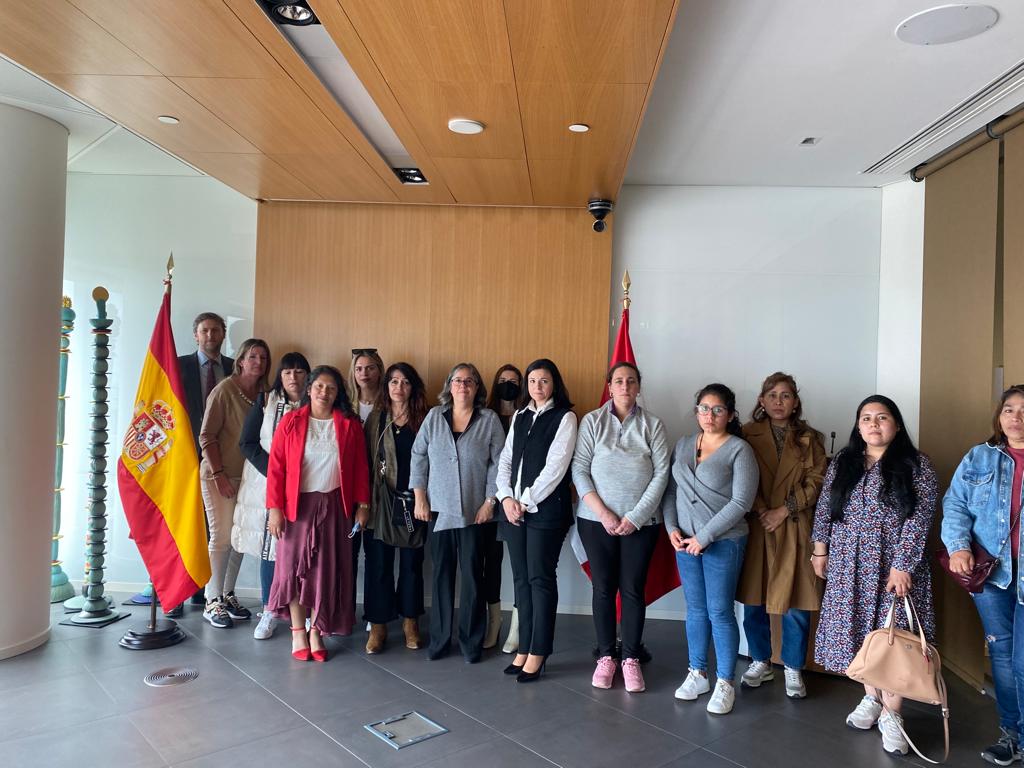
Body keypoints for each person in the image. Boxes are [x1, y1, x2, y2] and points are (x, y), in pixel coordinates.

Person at [811, 395, 937, 757]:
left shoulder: (917, 466)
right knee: (862, 636)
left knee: (893, 636)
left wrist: (903, 565)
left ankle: (893, 714)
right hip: (848, 565)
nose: (873, 424)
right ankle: (871, 699)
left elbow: (919, 519)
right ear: (858, 425)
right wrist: (820, 550)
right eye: (866, 418)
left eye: (882, 417)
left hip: (893, 568)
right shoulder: (844, 463)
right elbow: (825, 507)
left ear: (896, 425)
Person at [573, 362, 669, 694]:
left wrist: (635, 517)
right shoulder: (591, 422)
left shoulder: (653, 425)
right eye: (618, 381)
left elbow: (661, 476)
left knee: (632, 590)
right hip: (595, 521)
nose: (625, 386)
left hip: (641, 524)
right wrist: (604, 514)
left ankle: (630, 658)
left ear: (638, 387)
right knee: (602, 589)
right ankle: (606, 656)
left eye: (631, 381)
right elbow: (580, 469)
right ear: (609, 387)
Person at [942, 384, 1024, 766]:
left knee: (1021, 660)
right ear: (999, 416)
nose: (1016, 417)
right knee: (1004, 658)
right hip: (991, 576)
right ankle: (1012, 734)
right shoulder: (979, 457)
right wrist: (958, 546)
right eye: (1009, 409)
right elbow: (955, 504)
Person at [664, 383, 757, 715]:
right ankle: (697, 672)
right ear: (696, 411)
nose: (710, 415)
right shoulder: (685, 444)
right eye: (704, 408)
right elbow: (671, 491)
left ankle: (725, 682)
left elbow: (742, 502)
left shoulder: (739, 450)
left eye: (718, 409)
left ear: (730, 415)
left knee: (719, 611)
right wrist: (671, 528)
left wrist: (705, 536)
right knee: (696, 610)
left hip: (723, 542)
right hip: (684, 541)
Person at [266, 365, 370, 662]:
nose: (325, 392)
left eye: (331, 388)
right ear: (309, 389)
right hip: (296, 509)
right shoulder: (290, 422)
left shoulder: (349, 425)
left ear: (339, 394)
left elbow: (362, 469)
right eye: (320, 387)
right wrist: (274, 509)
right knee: (294, 572)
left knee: (325, 572)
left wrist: (363, 506)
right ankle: (298, 631)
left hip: (336, 507)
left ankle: (317, 631)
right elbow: (276, 470)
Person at [737, 372, 826, 699]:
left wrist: (784, 510)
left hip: (794, 525)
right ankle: (760, 659)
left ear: (795, 401)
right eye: (772, 395)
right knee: (754, 599)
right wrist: (763, 509)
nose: (778, 401)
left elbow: (817, 481)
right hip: (758, 525)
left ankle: (792, 666)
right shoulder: (745, 434)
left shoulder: (809, 438)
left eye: (785, 395)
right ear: (761, 400)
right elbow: (740, 475)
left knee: (798, 600)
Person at [410, 363, 504, 663]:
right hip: (438, 510)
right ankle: (439, 640)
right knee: (441, 577)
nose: (463, 386)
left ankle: (470, 643)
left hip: (475, 512)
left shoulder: (488, 419)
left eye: (469, 381)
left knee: (473, 579)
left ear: (477, 388)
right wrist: (419, 497)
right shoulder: (434, 417)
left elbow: (499, 464)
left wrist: (490, 502)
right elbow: (418, 456)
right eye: (457, 380)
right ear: (449, 385)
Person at [496, 359, 577, 682]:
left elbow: (556, 469)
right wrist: (505, 498)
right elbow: (506, 460)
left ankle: (539, 651)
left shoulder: (566, 417)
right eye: (532, 381)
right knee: (521, 580)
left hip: (545, 513)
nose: (537, 387)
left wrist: (524, 502)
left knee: (540, 580)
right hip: (513, 510)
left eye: (544, 381)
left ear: (554, 383)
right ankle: (524, 647)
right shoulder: (520, 415)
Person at [232, 351, 311, 640]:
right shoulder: (266, 401)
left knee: (303, 550)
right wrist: (277, 473)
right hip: (269, 485)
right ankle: (269, 609)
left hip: (307, 487)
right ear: (280, 375)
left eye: (300, 372)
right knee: (272, 548)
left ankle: (304, 611)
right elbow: (247, 442)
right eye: (288, 372)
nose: (293, 377)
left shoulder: (316, 402)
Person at [198, 338, 270, 629]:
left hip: (249, 479)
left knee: (238, 539)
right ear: (240, 360)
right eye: (252, 356)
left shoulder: (265, 394)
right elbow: (207, 436)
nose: (258, 363)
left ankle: (227, 595)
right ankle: (211, 600)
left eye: (264, 358)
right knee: (222, 538)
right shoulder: (224, 390)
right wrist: (219, 475)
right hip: (220, 476)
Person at [167, 311, 234, 615]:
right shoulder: (177, 366)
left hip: (220, 460)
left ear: (223, 334)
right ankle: (174, 592)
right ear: (196, 335)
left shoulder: (235, 369)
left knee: (213, 527)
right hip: (184, 456)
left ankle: (202, 590)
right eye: (205, 331)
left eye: (216, 330)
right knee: (182, 523)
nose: (210, 336)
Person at [363, 362, 429, 654]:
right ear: (386, 386)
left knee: (412, 566)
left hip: (414, 503)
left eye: (404, 382)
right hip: (379, 505)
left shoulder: (425, 419)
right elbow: (362, 463)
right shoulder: (376, 419)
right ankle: (378, 626)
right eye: (393, 382)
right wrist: (362, 505)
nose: (398, 388)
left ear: (412, 387)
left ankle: (410, 622)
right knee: (378, 565)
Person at [485, 363, 523, 651]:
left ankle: (517, 626)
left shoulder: (524, 417)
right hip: (489, 501)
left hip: (520, 502)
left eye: (513, 381)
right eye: (503, 380)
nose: (507, 385)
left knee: (521, 566)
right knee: (491, 564)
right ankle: (494, 622)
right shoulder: (486, 417)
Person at [348, 349, 385, 621]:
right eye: (359, 368)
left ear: (380, 371)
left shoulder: (388, 404)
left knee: (376, 558)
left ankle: (375, 617)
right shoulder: (345, 404)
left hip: (379, 491)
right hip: (347, 489)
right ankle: (343, 612)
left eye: (370, 367)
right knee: (345, 557)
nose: (364, 373)